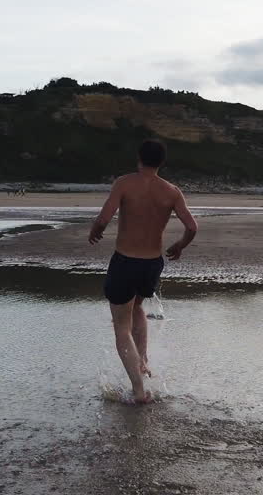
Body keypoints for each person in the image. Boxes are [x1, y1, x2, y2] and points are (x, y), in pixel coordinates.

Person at [88, 139, 198, 404]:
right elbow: (192, 227)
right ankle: (143, 359)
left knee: (121, 326)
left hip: (126, 260)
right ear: (162, 162)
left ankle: (138, 389)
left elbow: (105, 217)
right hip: (152, 263)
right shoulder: (171, 191)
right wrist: (180, 246)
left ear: (139, 157)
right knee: (136, 306)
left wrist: (96, 231)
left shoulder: (124, 183)